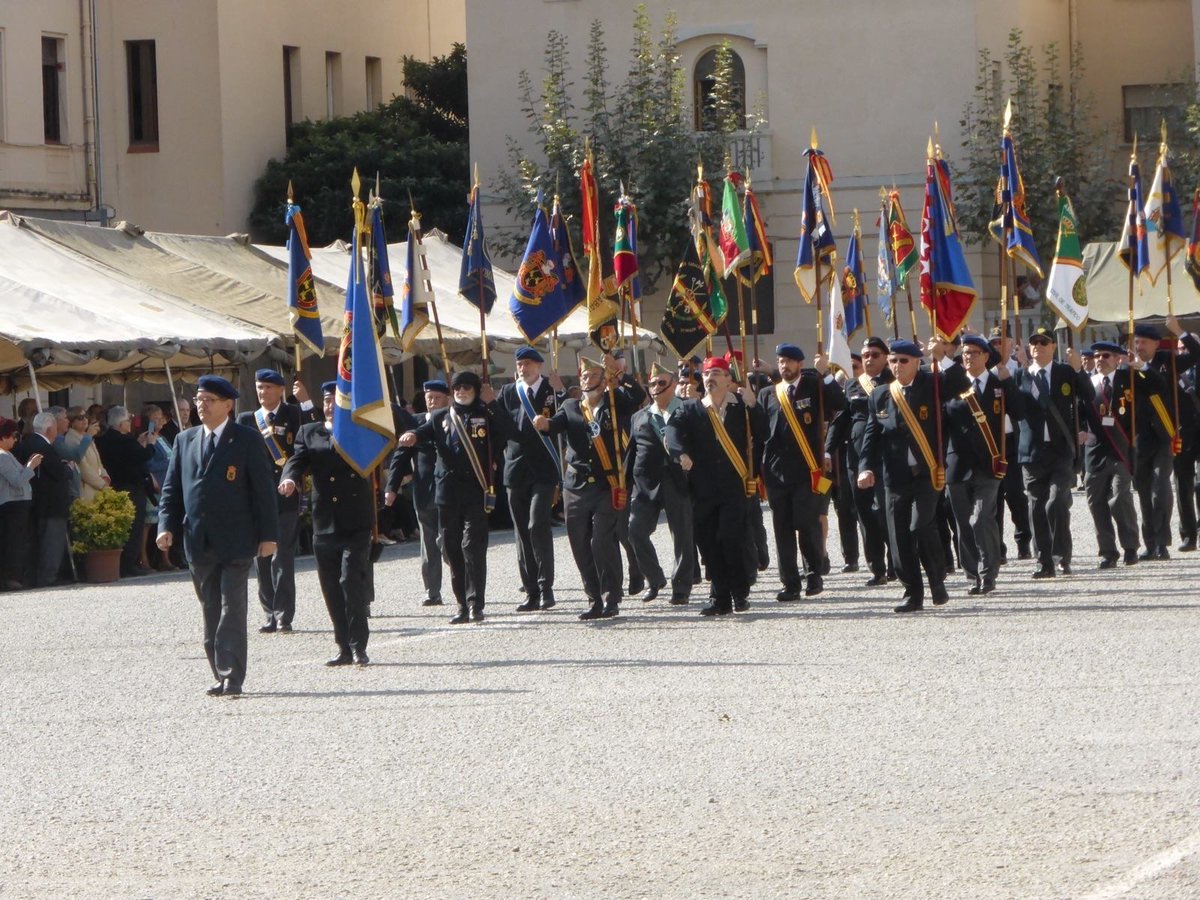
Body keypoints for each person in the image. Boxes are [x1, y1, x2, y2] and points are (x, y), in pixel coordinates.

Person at [156, 375, 279, 698]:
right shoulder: (185, 440)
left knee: (231, 607)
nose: (201, 405)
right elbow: (172, 491)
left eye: (209, 400)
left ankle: (232, 675)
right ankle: (219, 670)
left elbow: (263, 492)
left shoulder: (247, 440)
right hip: (198, 540)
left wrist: (268, 535)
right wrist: (165, 526)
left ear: (228, 405)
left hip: (236, 540)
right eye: (199, 399)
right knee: (210, 607)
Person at [535, 354, 645, 620]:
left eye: (593, 375)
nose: (587, 380)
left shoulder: (615, 402)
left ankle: (611, 596)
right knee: (580, 543)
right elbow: (555, 425)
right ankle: (593, 598)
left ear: (603, 379)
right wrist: (544, 424)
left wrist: (619, 374)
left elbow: (638, 395)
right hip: (576, 485)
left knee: (601, 541)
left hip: (607, 484)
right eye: (583, 376)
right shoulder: (572, 406)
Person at [398, 371, 511, 624]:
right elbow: (424, 431)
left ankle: (475, 604)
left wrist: (492, 402)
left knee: (473, 547)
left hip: (476, 489)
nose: (461, 392)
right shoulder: (441, 416)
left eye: (466, 388)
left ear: (475, 390)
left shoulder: (485, 413)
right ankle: (461, 604)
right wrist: (413, 436)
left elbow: (509, 430)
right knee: (452, 548)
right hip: (447, 493)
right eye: (457, 388)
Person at [280, 382, 373, 666]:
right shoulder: (311, 431)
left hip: (355, 519)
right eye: (327, 401)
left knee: (350, 581)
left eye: (337, 400)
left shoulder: (360, 429)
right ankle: (343, 646)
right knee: (331, 585)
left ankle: (359, 645)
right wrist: (290, 478)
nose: (331, 406)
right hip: (325, 520)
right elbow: (297, 459)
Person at [666, 356, 765, 616]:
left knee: (731, 539)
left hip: (734, 487)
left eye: (717, 374)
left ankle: (739, 593)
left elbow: (764, 433)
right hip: (703, 489)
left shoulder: (741, 408)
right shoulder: (691, 409)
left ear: (729, 380)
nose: (710, 379)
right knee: (708, 543)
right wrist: (680, 453)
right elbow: (672, 431)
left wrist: (754, 406)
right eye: (707, 375)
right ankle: (720, 598)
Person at [857, 340, 949, 613]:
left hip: (926, 473)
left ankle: (936, 580)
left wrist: (942, 355)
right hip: (895, 476)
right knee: (898, 536)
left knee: (920, 526)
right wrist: (865, 467)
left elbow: (956, 381)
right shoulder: (881, 395)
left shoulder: (931, 384)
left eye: (903, 361)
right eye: (893, 361)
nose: (897, 366)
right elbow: (872, 436)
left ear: (917, 361)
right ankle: (912, 592)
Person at [759, 342, 844, 600]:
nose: (785, 366)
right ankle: (790, 583)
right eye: (781, 361)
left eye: (789, 361)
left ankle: (813, 574)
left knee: (806, 523)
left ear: (799, 363)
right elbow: (761, 433)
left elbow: (840, 404)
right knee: (782, 528)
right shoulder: (768, 393)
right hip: (777, 471)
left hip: (808, 470)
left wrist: (826, 373)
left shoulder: (814, 386)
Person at [941, 334, 1023, 595]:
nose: (968, 356)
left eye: (974, 352)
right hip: (958, 464)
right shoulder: (952, 383)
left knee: (982, 519)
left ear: (987, 356)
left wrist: (1008, 382)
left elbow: (1020, 411)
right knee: (963, 523)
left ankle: (989, 572)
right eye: (965, 352)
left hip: (989, 463)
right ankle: (972, 574)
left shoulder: (998, 385)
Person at [1011, 327, 1093, 579]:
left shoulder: (1064, 372)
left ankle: (1061, 557)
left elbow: (1088, 396)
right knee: (1036, 507)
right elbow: (1013, 408)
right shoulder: (1021, 375)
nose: (1038, 347)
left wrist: (1079, 369)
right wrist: (1015, 371)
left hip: (1060, 450)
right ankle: (1043, 560)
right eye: (1034, 342)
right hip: (1032, 451)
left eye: (1044, 343)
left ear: (1053, 347)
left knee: (1057, 502)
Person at [495, 346, 566, 611]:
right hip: (515, 470)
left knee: (538, 525)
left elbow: (566, 417)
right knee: (522, 532)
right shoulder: (508, 393)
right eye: (520, 364)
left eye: (528, 364)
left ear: (539, 365)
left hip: (544, 469)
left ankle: (547, 587)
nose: (523, 368)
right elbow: (502, 429)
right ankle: (531, 591)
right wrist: (491, 405)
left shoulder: (551, 390)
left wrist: (561, 392)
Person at [236, 368, 306, 633]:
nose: (262, 392)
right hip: (256, 497)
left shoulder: (294, 414)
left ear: (280, 390)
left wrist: (306, 401)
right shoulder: (246, 420)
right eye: (259, 387)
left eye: (268, 387)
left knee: (282, 556)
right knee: (261, 557)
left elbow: (311, 432)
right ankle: (268, 612)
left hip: (284, 494)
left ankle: (283, 614)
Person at [826, 336, 894, 587]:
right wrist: (827, 450)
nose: (869, 359)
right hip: (856, 459)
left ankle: (897, 562)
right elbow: (841, 418)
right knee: (865, 514)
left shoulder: (894, 381)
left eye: (875, 355)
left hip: (885, 456)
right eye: (865, 355)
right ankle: (877, 568)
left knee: (888, 513)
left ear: (885, 357)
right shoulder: (853, 385)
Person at [1128, 321, 1199, 560]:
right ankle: (1151, 543)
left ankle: (1162, 541)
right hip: (1140, 438)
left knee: (1161, 487)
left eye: (1144, 342)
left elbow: (1197, 353)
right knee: (1145, 492)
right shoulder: (1128, 366)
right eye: (1136, 341)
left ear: (1156, 344)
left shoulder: (1167, 361)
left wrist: (1179, 331)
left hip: (1166, 434)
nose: (1139, 346)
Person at [626, 363, 694, 604]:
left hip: (678, 480)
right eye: (652, 384)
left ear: (673, 385)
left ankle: (681, 587)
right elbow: (631, 454)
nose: (655, 388)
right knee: (635, 530)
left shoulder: (687, 411)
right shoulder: (639, 417)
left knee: (683, 535)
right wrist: (625, 487)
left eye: (661, 383)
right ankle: (654, 579)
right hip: (646, 483)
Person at [385, 380, 449, 606]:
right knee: (428, 545)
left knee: (448, 542)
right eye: (428, 397)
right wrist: (392, 487)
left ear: (447, 399)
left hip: (449, 493)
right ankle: (432, 592)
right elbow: (400, 457)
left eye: (437, 397)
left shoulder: (453, 422)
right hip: (423, 492)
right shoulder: (417, 424)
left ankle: (465, 583)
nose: (431, 402)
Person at [1079, 341, 1141, 568]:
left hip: (1120, 450)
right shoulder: (1087, 384)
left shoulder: (1128, 381)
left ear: (1118, 359)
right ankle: (1107, 551)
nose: (1100, 359)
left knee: (1120, 498)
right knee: (1096, 502)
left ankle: (1131, 547)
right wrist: (1080, 429)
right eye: (1096, 356)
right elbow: (1078, 411)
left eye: (1106, 355)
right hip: (1095, 452)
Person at [96, 405, 158, 578]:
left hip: (115, 485)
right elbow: (142, 456)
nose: (130, 424)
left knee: (123, 526)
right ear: (121, 423)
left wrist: (139, 443)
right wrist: (150, 445)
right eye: (128, 421)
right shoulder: (125, 440)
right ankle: (129, 564)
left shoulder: (104, 439)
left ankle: (125, 563)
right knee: (134, 527)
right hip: (131, 486)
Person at [989, 326, 1032, 562]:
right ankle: (997, 548)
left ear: (1011, 344)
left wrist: (1024, 365)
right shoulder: (986, 371)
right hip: (992, 441)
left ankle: (1024, 541)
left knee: (1016, 494)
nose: (997, 347)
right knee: (992, 498)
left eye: (1001, 343)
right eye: (993, 344)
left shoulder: (1018, 368)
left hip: (1013, 441)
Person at [14, 411, 72, 587]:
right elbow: (59, 472)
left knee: (36, 543)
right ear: (49, 429)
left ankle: (34, 577)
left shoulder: (25, 444)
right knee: (51, 543)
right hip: (51, 504)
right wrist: (68, 468)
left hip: (34, 502)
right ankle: (48, 578)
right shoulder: (45, 447)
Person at [0, 418, 39, 589]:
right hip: (12, 505)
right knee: (13, 543)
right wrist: (31, 466)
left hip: (17, 504)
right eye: (12, 436)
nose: (15, 440)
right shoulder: (2, 457)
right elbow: (17, 480)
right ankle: (11, 578)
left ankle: (14, 577)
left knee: (18, 541)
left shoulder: (7, 455)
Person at [62, 407, 107, 501]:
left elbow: (98, 461)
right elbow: (82, 467)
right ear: (71, 422)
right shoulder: (71, 440)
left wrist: (105, 476)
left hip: (97, 489)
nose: (84, 420)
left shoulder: (86, 437)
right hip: (85, 490)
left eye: (86, 416)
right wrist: (101, 484)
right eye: (80, 417)